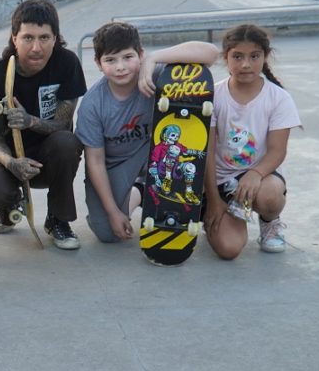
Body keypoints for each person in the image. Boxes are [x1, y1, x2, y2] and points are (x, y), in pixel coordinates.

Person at [75, 23, 219, 243]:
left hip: (157, 152)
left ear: (140, 54)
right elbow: (94, 161)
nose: (121, 67)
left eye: (128, 57)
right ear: (98, 63)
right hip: (117, 163)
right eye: (110, 60)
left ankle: (196, 195)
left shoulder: (156, 73)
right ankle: (141, 189)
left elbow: (210, 53)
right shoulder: (93, 103)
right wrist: (113, 212)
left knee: (186, 105)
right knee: (107, 233)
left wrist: (153, 59)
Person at [0, 0, 86, 250]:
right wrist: (12, 163)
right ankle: (9, 206)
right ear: (14, 38)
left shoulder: (67, 63)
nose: (36, 47)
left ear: (55, 38)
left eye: (44, 38)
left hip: (50, 156)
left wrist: (29, 121)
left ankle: (57, 219)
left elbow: (63, 124)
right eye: (28, 38)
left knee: (67, 143)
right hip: (11, 155)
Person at [203, 24, 301, 260]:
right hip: (221, 181)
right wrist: (214, 201)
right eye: (237, 56)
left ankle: (269, 222)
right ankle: (223, 214)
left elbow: (277, 152)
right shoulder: (213, 95)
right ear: (225, 58)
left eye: (254, 56)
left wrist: (255, 173)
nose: (245, 64)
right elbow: (207, 151)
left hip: (260, 178)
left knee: (271, 196)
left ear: (265, 57)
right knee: (229, 249)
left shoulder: (278, 98)